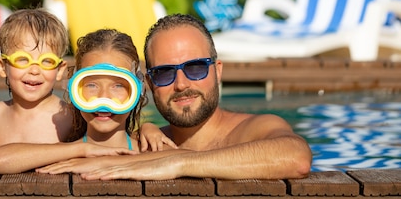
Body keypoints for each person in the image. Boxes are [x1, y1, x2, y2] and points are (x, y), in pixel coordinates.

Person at [38, 14, 312, 180]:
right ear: (149, 84)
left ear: (217, 71)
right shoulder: (146, 144)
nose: (181, 84)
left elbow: (296, 157)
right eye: (165, 72)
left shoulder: (255, 128)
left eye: (194, 68)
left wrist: (180, 162)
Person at [0, 28, 157, 173]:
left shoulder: (149, 150)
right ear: (74, 89)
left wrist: (109, 161)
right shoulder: (64, 152)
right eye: (91, 85)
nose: (103, 98)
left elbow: (184, 157)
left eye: (118, 86)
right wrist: (82, 149)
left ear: (138, 91)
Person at [0, 8, 73, 146]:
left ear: (59, 69)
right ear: (2, 67)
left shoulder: (69, 117)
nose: (34, 70)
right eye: (23, 59)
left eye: (46, 61)